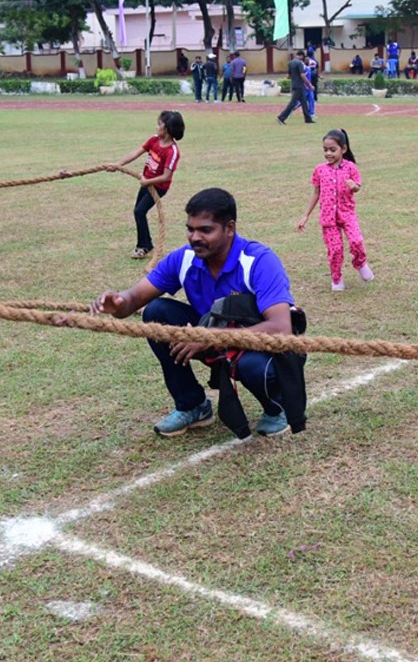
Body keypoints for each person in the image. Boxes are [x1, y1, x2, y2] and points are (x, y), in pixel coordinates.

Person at [92, 187, 298, 438]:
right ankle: (192, 405)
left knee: (251, 365)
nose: (195, 237)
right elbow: (133, 298)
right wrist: (118, 303)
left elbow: (280, 328)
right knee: (157, 313)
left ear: (229, 228)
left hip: (261, 346)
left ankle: (278, 406)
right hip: (210, 337)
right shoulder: (185, 258)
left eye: (205, 230)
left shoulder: (258, 261)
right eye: (190, 229)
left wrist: (208, 337)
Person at [297, 129, 373, 291]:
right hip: (328, 217)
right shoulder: (320, 170)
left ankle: (360, 263)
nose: (328, 153)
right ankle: (336, 278)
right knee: (335, 249)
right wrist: (305, 216)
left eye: (332, 150)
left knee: (356, 241)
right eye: (325, 150)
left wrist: (354, 187)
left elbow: (357, 186)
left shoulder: (350, 167)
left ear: (343, 149)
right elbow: (316, 193)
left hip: (347, 214)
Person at [114, 110, 184, 259]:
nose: (156, 127)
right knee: (138, 211)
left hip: (158, 187)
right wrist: (117, 164)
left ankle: (143, 246)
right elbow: (136, 153)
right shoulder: (153, 140)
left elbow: (166, 176)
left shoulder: (172, 151)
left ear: (168, 129)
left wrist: (147, 181)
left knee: (139, 211)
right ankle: (146, 243)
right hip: (146, 182)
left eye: (159, 124)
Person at [276, 51, 315, 125]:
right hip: (299, 86)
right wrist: (310, 85)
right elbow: (302, 75)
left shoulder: (290, 63)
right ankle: (281, 117)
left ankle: (308, 119)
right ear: (301, 56)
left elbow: (288, 76)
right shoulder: (299, 63)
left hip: (294, 85)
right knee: (293, 103)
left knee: (304, 103)